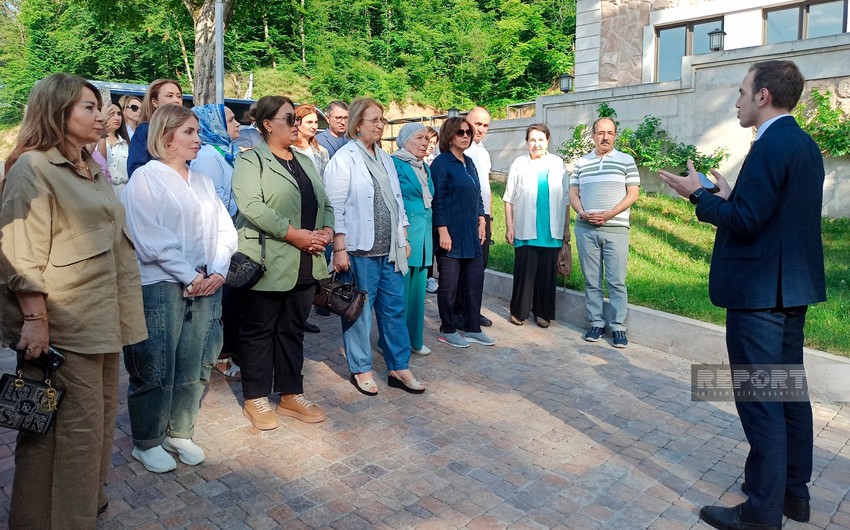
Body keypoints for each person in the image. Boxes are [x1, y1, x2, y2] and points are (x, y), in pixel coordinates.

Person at [659, 60, 824, 530]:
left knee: (761, 400)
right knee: (789, 392)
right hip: (790, 290)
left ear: (764, 96)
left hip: (758, 297)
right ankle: (792, 494)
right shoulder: (804, 145)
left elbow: (747, 222)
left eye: (741, 92)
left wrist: (698, 196)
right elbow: (770, 215)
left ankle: (760, 514)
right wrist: (729, 196)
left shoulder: (772, 144)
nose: (736, 100)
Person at [0, 73, 147, 528]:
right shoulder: (34, 168)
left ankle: (79, 507)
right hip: (66, 324)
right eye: (88, 106)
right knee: (68, 432)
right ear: (57, 111)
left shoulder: (89, 163)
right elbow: (19, 250)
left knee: (94, 426)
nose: (101, 114)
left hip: (104, 319)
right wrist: (36, 318)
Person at [122, 104, 237, 474]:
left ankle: (180, 430)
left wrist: (218, 270)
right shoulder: (145, 178)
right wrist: (190, 275)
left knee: (196, 358)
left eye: (197, 131)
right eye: (189, 132)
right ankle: (148, 439)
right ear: (166, 136)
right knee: (155, 363)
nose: (197, 138)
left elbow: (224, 230)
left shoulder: (202, 180)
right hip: (162, 285)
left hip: (205, 283)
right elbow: (150, 238)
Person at [232, 95, 335, 430]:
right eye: (289, 118)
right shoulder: (251, 161)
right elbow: (252, 206)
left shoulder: (304, 160)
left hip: (308, 260)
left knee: (292, 330)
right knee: (258, 331)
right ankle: (256, 397)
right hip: (268, 260)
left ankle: (291, 394)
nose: (295, 125)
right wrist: (294, 234)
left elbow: (325, 201)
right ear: (267, 124)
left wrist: (328, 231)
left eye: (295, 119)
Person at [324, 97, 426, 396]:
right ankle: (361, 368)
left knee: (394, 309)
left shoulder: (385, 158)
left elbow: (397, 202)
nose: (380, 125)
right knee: (358, 311)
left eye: (382, 119)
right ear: (357, 125)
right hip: (359, 250)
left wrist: (403, 237)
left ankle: (398, 365)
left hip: (390, 249)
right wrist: (339, 247)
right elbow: (334, 207)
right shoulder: (344, 159)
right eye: (374, 120)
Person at [569, 117, 640, 348]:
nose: (605, 137)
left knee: (616, 281)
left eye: (610, 133)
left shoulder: (625, 160)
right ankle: (596, 323)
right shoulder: (581, 162)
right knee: (592, 280)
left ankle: (618, 327)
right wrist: (582, 213)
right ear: (593, 135)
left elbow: (633, 194)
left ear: (615, 135)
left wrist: (609, 214)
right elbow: (573, 194)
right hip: (586, 229)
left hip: (616, 229)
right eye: (601, 133)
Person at [430, 117, 495, 349]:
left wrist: (481, 220)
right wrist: (443, 231)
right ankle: (447, 328)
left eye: (468, 132)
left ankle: (472, 327)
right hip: (451, 234)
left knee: (474, 282)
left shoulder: (469, 162)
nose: (466, 135)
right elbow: (437, 201)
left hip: (471, 233)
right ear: (449, 136)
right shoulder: (441, 164)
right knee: (449, 286)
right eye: (460, 132)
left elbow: (478, 194)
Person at [190, 104, 243, 381]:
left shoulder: (225, 152)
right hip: (218, 234)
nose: (237, 124)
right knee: (221, 303)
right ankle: (220, 357)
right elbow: (217, 198)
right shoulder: (209, 155)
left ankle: (225, 352)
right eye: (231, 120)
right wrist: (240, 212)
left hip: (230, 231)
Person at [503, 123, 569, 328]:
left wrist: (566, 230)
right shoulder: (519, 163)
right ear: (526, 142)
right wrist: (509, 226)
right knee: (524, 273)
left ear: (547, 141)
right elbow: (508, 198)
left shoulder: (558, 164)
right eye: (532, 140)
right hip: (525, 228)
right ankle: (519, 311)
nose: (536, 144)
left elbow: (566, 198)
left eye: (540, 140)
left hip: (551, 230)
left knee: (546, 275)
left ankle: (543, 312)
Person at [391, 123, 435, 356]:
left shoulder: (424, 167)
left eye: (426, 139)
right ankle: (394, 342)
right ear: (405, 140)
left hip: (424, 237)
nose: (424, 143)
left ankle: (414, 339)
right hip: (406, 235)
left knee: (418, 293)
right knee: (400, 295)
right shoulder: (395, 163)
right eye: (418, 138)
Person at [458, 106, 493, 328]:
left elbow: (486, 187)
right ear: (467, 121)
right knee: (464, 268)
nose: (480, 129)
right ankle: (459, 312)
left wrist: (488, 217)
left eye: (485, 125)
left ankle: (473, 311)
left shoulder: (483, 152)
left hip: (484, 216)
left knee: (479, 267)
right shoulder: (462, 149)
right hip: (466, 217)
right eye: (477, 123)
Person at [127, 79, 183, 176]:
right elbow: (135, 170)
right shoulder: (145, 130)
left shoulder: (187, 130)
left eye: (179, 96)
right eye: (170, 96)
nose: (176, 100)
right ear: (154, 102)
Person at [97, 103, 131, 197]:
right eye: (111, 114)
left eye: (119, 114)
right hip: (103, 191)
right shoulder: (94, 142)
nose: (117, 118)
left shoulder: (126, 143)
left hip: (125, 192)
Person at [293, 104, 330, 177]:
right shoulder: (289, 150)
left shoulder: (322, 151)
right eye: (309, 122)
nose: (314, 126)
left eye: (316, 122)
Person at [424, 126, 440, 294]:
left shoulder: (435, 160)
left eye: (434, 143)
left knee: (432, 245)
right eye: (429, 141)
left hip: (434, 211)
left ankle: (430, 276)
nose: (430, 145)